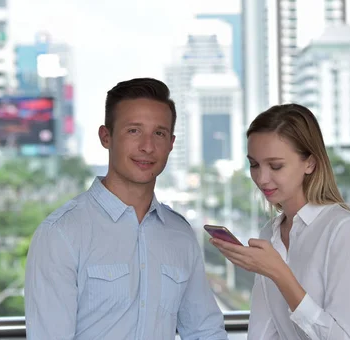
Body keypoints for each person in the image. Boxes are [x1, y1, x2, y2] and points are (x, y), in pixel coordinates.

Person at [25, 78, 227, 340]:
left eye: (159, 133)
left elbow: (205, 331)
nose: (147, 146)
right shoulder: (61, 234)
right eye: (134, 131)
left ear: (171, 143)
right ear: (105, 137)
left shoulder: (181, 235)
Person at [210, 103, 350, 339]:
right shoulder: (270, 233)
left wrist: (279, 273)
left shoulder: (342, 229)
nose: (262, 178)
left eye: (276, 166)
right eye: (254, 165)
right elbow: (263, 330)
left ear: (310, 163)